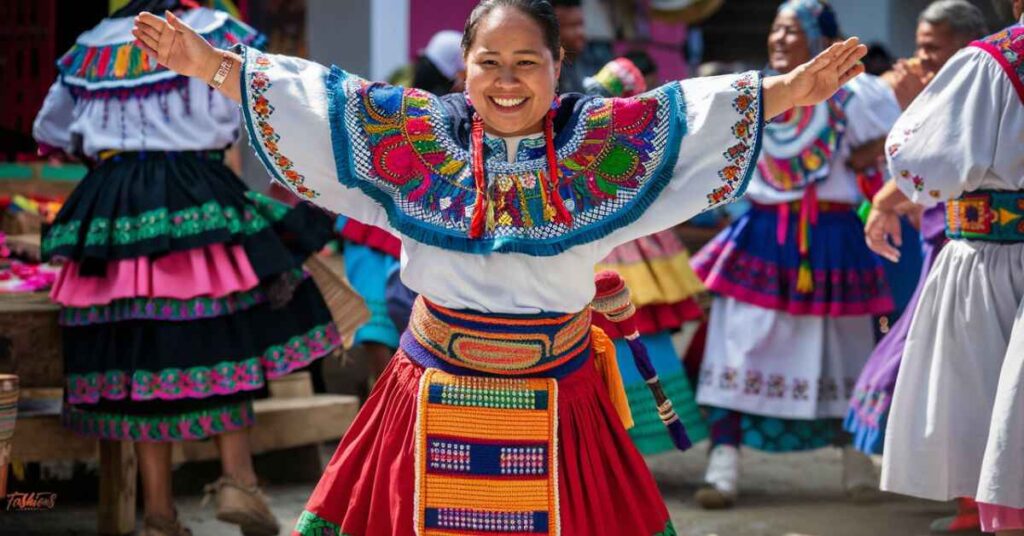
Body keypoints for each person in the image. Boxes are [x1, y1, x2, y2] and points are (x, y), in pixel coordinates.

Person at [132, 0, 866, 532]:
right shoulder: (411, 140)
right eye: (489, 62)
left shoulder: (606, 146)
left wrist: (790, 92)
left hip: (564, 392)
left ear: (558, 67)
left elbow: (689, 113)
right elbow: (324, 102)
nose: (507, 80)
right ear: (464, 71)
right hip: (426, 386)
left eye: (527, 62)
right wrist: (214, 66)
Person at [32, 1, 342, 535]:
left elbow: (53, 128)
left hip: (114, 206)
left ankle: (158, 513)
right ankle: (238, 480)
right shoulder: (215, 30)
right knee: (219, 335)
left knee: (142, 352)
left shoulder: (90, 48)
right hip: (196, 191)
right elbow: (260, 103)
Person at [690, 0, 893, 509]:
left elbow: (887, 148)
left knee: (842, 348)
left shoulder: (855, 94)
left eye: (791, 31)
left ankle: (855, 463)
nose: (779, 40)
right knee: (737, 343)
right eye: (775, 31)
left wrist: (868, 149)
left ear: (819, 40)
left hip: (831, 236)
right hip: (763, 233)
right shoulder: (748, 94)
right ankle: (723, 467)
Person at [865, 0, 1024, 534]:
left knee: (995, 419)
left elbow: (925, 162)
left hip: (996, 259)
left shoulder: (993, 62)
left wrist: (915, 109)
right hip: (998, 257)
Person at [842, 1, 988, 531]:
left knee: (968, 374)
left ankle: (980, 502)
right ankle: (970, 498)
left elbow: (935, 167)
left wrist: (918, 108)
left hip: (980, 253)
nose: (920, 58)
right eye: (920, 46)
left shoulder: (982, 86)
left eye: (932, 48)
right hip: (944, 250)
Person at [586, 54, 711, 454]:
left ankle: (619, 438)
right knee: (632, 333)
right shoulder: (641, 136)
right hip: (631, 247)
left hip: (613, 245)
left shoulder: (624, 137)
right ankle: (630, 436)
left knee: (617, 333)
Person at [339, 29, 468, 380]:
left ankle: (386, 413)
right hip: (408, 226)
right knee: (405, 333)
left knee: (378, 329)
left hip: (372, 225)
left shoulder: (401, 101)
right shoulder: (452, 118)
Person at [552, 0, 587, 93]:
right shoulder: (549, 75)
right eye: (572, 26)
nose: (580, 32)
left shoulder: (586, 60)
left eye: (581, 24)